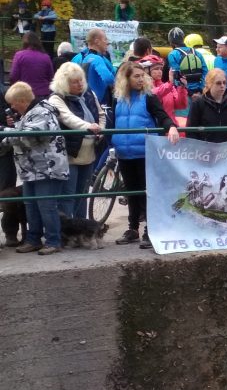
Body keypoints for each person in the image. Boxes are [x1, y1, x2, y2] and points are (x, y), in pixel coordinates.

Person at [111, 61, 180, 249]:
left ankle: (151, 230)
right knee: (132, 193)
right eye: (136, 76)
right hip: (125, 153)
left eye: (143, 76)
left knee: (148, 193)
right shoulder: (117, 99)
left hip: (145, 153)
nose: (141, 79)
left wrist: (171, 127)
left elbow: (161, 115)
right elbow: (112, 123)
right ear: (126, 79)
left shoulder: (149, 97)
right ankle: (132, 228)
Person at [2, 82, 68, 255]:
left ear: (22, 100)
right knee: (30, 204)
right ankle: (34, 239)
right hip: (31, 169)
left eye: (13, 103)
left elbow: (29, 137)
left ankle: (54, 241)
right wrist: (9, 132)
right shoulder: (29, 113)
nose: (12, 107)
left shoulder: (42, 112)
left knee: (47, 206)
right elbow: (21, 131)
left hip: (47, 168)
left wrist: (5, 132)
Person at [47, 62, 106, 218]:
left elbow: (101, 114)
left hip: (89, 152)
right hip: (69, 154)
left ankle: (80, 231)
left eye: (81, 80)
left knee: (83, 194)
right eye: (75, 81)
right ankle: (67, 233)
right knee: (68, 195)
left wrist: (101, 129)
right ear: (64, 83)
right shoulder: (56, 99)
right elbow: (68, 118)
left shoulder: (89, 93)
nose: (80, 84)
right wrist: (90, 127)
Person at [186, 68, 227, 143]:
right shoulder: (198, 104)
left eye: (224, 83)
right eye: (218, 83)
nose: (222, 86)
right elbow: (190, 131)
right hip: (206, 150)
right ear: (209, 84)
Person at [71, 28, 116, 106]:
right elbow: (109, 78)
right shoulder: (98, 59)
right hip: (100, 102)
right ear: (97, 41)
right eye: (105, 39)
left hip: (82, 101)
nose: (107, 43)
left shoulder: (76, 58)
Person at [139, 54, 187, 120]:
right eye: (156, 69)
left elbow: (181, 105)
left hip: (170, 125)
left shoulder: (168, 86)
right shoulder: (141, 87)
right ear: (146, 70)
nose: (160, 71)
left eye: (161, 69)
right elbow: (154, 93)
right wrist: (170, 83)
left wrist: (182, 87)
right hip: (154, 127)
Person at [9, 32, 54, 100]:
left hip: (25, 94)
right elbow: (51, 77)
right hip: (43, 94)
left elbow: (13, 76)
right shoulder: (46, 57)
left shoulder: (19, 55)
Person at [166, 27, 208, 97]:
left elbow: (176, 77)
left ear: (171, 42)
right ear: (183, 39)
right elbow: (205, 73)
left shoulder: (172, 54)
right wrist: (200, 90)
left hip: (183, 95)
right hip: (199, 92)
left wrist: (190, 94)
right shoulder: (197, 53)